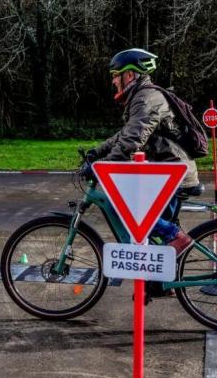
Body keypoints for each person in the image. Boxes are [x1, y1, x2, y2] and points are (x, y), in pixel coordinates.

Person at [85, 48, 200, 255]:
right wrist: (97, 152)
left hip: (173, 175)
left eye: (115, 76)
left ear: (129, 74)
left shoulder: (147, 99)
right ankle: (161, 284)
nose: (113, 82)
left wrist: (103, 167)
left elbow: (133, 140)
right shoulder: (142, 97)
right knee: (148, 234)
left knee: (128, 211)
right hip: (166, 171)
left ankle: (176, 237)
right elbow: (125, 134)